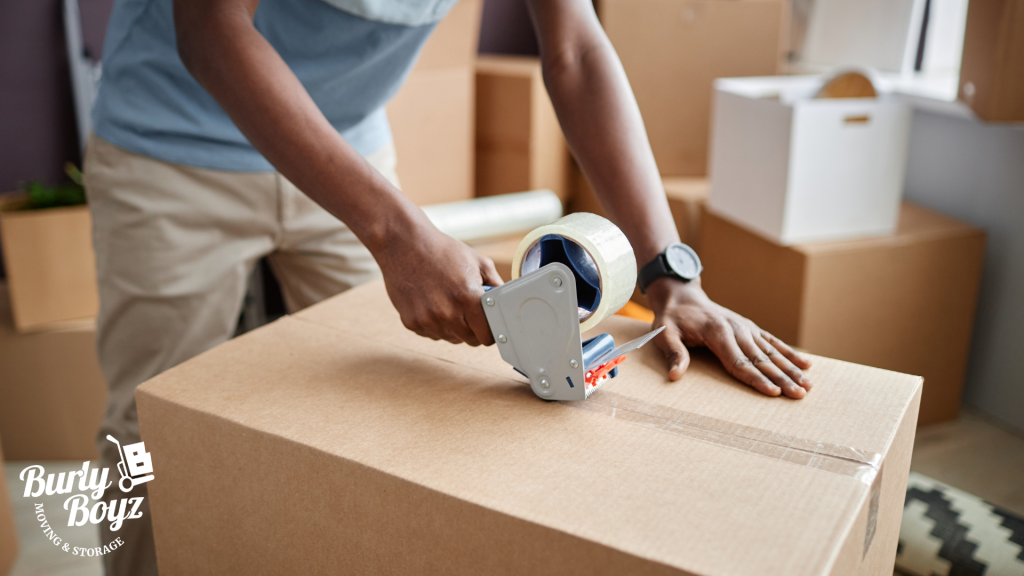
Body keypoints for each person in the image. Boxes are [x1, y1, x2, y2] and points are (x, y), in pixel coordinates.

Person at [85, 0, 813, 573]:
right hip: (169, 147)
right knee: (150, 427)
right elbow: (209, 26)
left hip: (343, 148)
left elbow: (577, 48)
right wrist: (399, 235)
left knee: (383, 409)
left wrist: (667, 275)